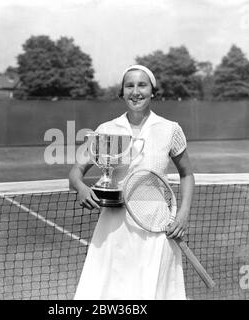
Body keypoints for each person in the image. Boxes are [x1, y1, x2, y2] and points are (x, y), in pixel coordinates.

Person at [69, 65, 195, 300]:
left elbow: (187, 174)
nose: (135, 91)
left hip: (157, 226)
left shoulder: (170, 129)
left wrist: (183, 214)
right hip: (113, 227)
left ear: (152, 92)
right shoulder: (106, 130)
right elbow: (76, 170)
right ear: (122, 92)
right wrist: (81, 187)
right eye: (130, 86)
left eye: (142, 85)